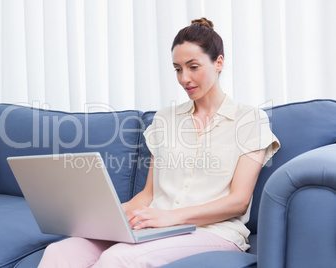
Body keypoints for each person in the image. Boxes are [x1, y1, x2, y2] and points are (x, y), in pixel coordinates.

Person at [38, 17, 280, 267]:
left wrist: (171, 217)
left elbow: (238, 201)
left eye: (193, 66)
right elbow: (148, 194)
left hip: (213, 231)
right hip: (155, 226)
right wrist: (103, 218)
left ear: (218, 63)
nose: (184, 78)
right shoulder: (165, 119)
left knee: (118, 258)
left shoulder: (250, 119)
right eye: (177, 68)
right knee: (61, 251)